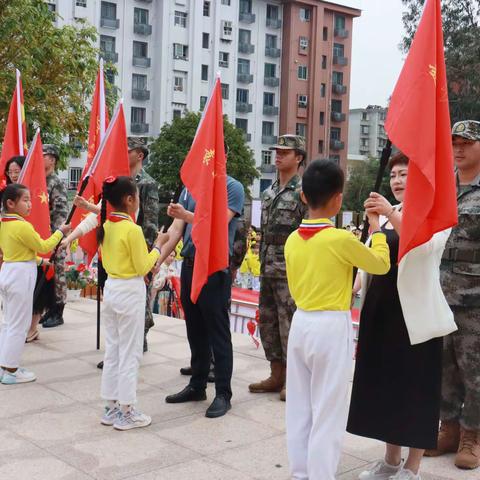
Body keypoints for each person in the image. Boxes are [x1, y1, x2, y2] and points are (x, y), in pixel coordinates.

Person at [347, 152, 456, 480]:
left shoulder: (437, 214)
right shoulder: (391, 212)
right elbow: (372, 257)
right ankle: (391, 460)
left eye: (404, 174)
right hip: (381, 312)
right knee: (386, 387)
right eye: (393, 174)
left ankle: (413, 467)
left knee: (415, 389)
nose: (396, 180)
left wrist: (388, 217)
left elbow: (422, 247)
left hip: (415, 317)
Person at [284, 159, 390, 480]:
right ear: (338, 199)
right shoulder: (341, 240)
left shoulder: (291, 240)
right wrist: (376, 230)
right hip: (330, 326)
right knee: (328, 411)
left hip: (301, 323)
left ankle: (301, 473)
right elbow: (380, 264)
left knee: (300, 408)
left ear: (303, 196)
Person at [155, 174, 245, 418]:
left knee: (218, 331)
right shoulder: (190, 187)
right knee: (194, 328)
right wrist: (156, 262)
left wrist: (187, 215)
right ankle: (197, 385)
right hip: (190, 264)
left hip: (213, 266)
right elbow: (175, 231)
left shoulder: (232, 187)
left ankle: (223, 393)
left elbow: (218, 224)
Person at [64, 138, 159, 355]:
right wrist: (88, 208)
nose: (122, 153)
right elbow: (106, 213)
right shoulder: (121, 181)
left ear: (139, 155)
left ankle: (139, 338)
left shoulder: (147, 183)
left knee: (139, 300)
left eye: (128, 150)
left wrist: (148, 258)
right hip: (117, 246)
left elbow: (150, 223)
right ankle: (122, 348)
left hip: (137, 247)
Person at [425, 120, 480, 469]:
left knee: (474, 370)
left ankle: (472, 435)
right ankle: (447, 427)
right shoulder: (443, 189)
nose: (458, 149)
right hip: (439, 293)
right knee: (443, 367)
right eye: (454, 143)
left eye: (466, 143)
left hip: (475, 300)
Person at [97, 176, 167, 430]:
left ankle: (111, 407)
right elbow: (143, 266)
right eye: (136, 196)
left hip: (113, 288)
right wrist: (158, 246)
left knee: (113, 350)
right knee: (130, 352)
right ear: (129, 200)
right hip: (129, 290)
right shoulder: (132, 229)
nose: (138, 200)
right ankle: (127, 410)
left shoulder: (107, 225)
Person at [249, 134, 307, 402]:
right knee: (268, 322)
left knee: (289, 325)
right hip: (267, 266)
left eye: (285, 152)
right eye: (277, 151)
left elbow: (310, 232)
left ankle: (294, 379)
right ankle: (276, 374)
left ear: (299, 158)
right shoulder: (269, 191)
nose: (279, 155)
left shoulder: (304, 192)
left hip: (290, 270)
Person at [0, 183, 69, 384]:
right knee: (19, 324)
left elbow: (18, 250)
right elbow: (44, 246)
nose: (30, 204)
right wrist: (60, 232)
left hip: (9, 270)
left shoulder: (4, 222)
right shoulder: (22, 225)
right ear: (11, 203)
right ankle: (11, 370)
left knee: (8, 322)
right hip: (20, 275)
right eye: (25, 200)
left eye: (30, 199)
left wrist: (40, 261)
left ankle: (5, 365)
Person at [40, 144, 69, 328]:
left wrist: (57, 238)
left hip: (54, 234)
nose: (40, 157)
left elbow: (60, 212)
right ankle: (48, 308)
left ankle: (58, 311)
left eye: (43, 155)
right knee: (46, 273)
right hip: (42, 236)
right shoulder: (39, 180)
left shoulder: (55, 182)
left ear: (52, 159)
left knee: (58, 272)